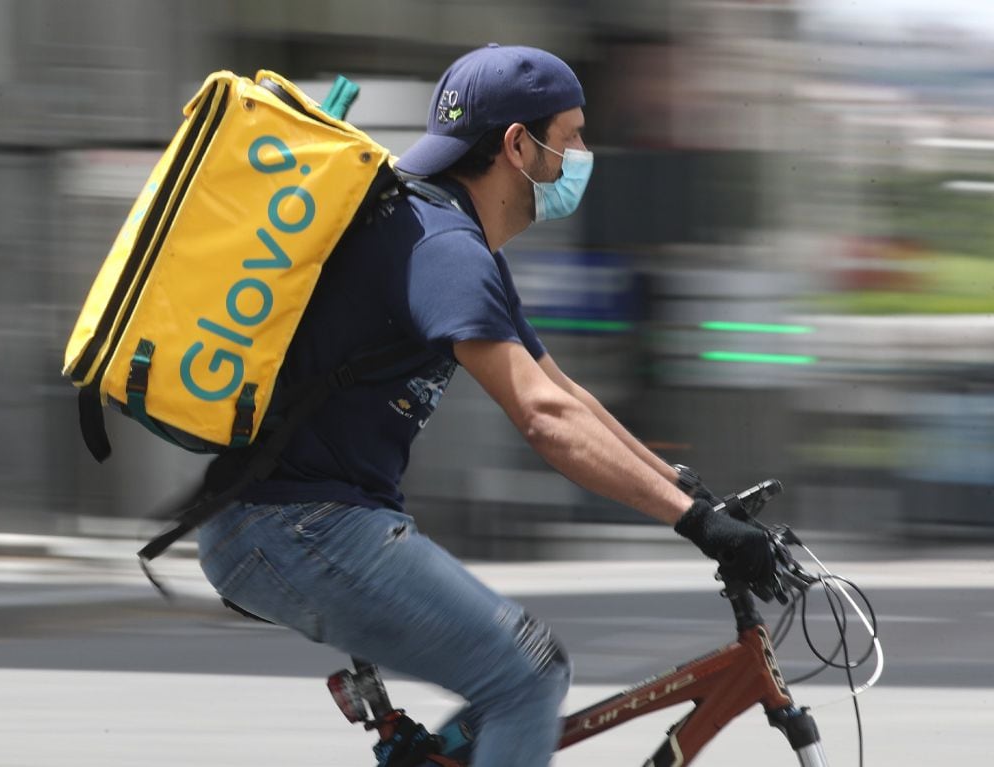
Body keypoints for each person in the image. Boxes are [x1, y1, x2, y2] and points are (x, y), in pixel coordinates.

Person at [196, 43, 774, 767]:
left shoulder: (446, 235)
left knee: (517, 684)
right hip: (296, 526)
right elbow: (542, 418)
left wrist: (684, 488)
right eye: (572, 136)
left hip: (294, 520)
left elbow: (564, 390)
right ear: (516, 146)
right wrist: (693, 525)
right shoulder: (442, 248)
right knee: (527, 679)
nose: (583, 154)